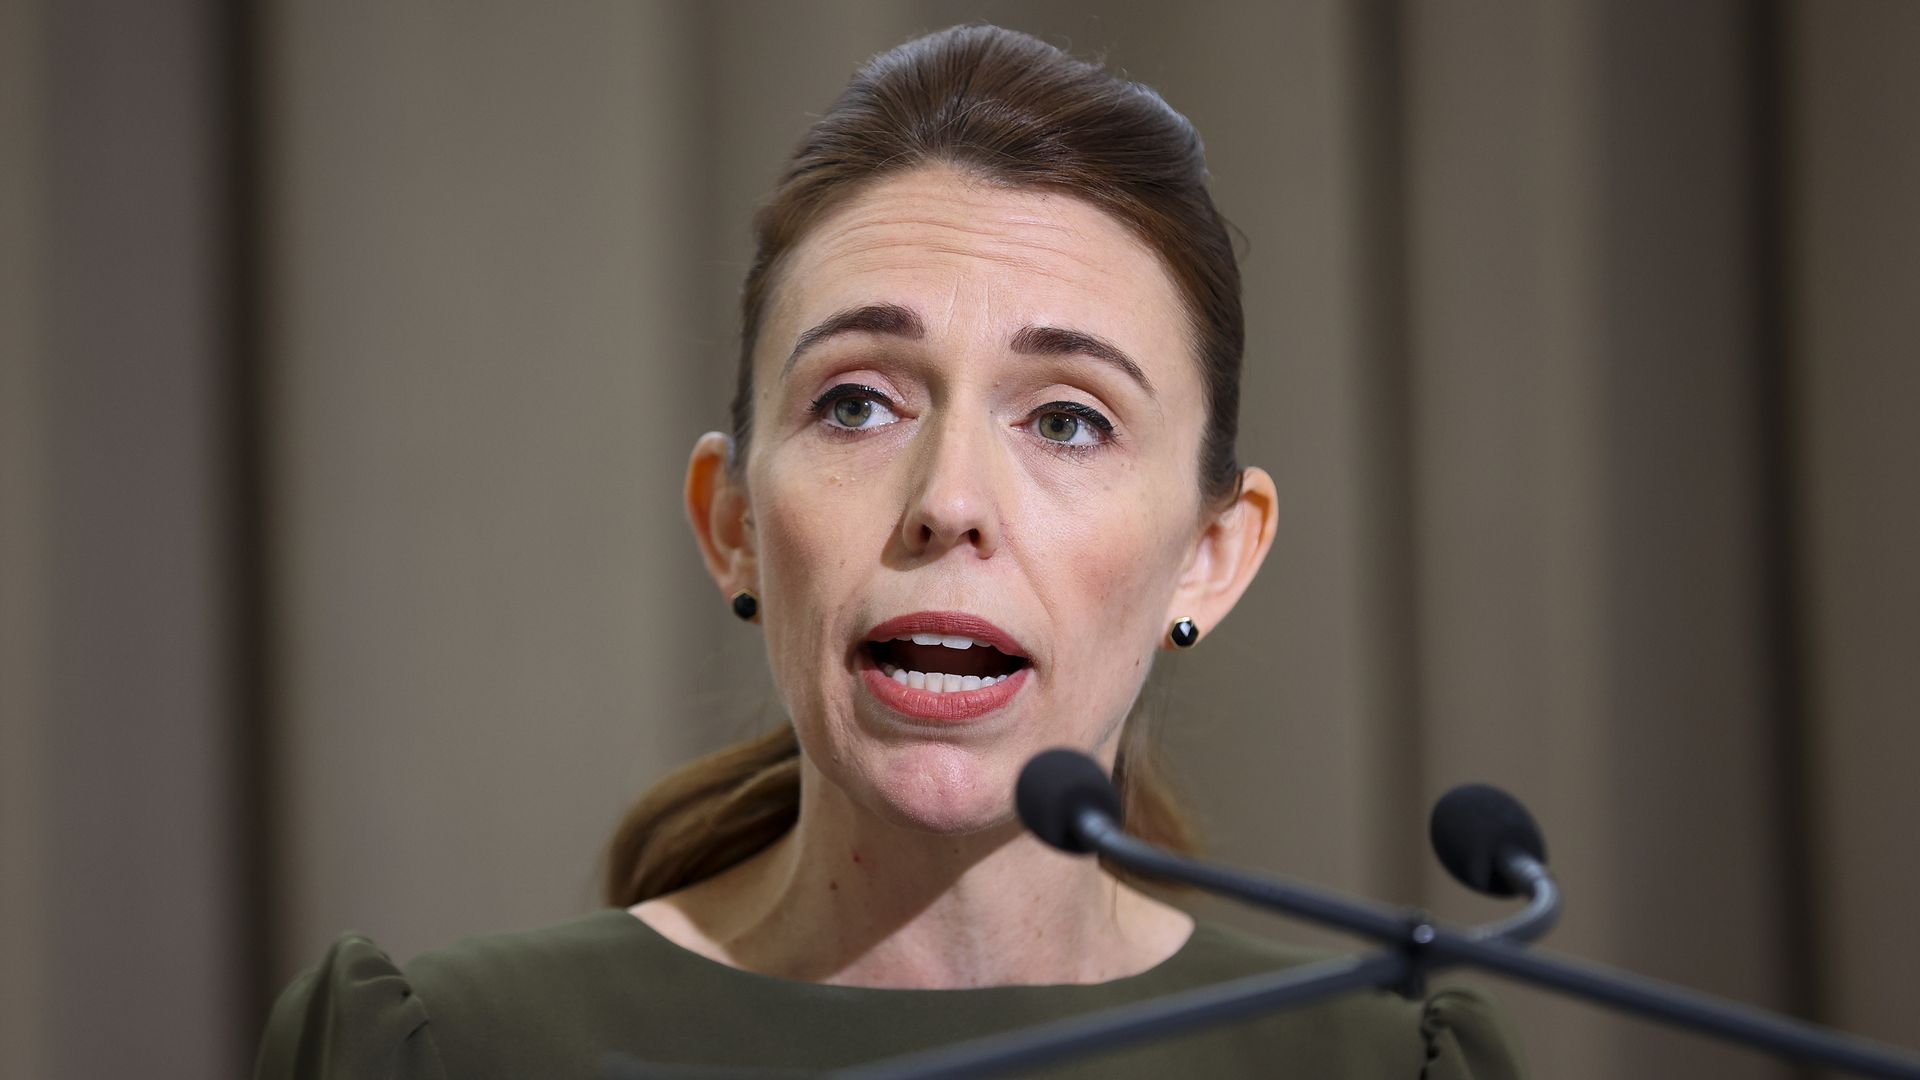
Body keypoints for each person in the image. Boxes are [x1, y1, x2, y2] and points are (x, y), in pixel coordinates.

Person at [256, 24, 1521, 1079]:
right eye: (859, 402)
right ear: (735, 524)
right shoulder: (436, 1055)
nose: (949, 499)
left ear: (1210, 556)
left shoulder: (1383, 1066)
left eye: (1068, 420)